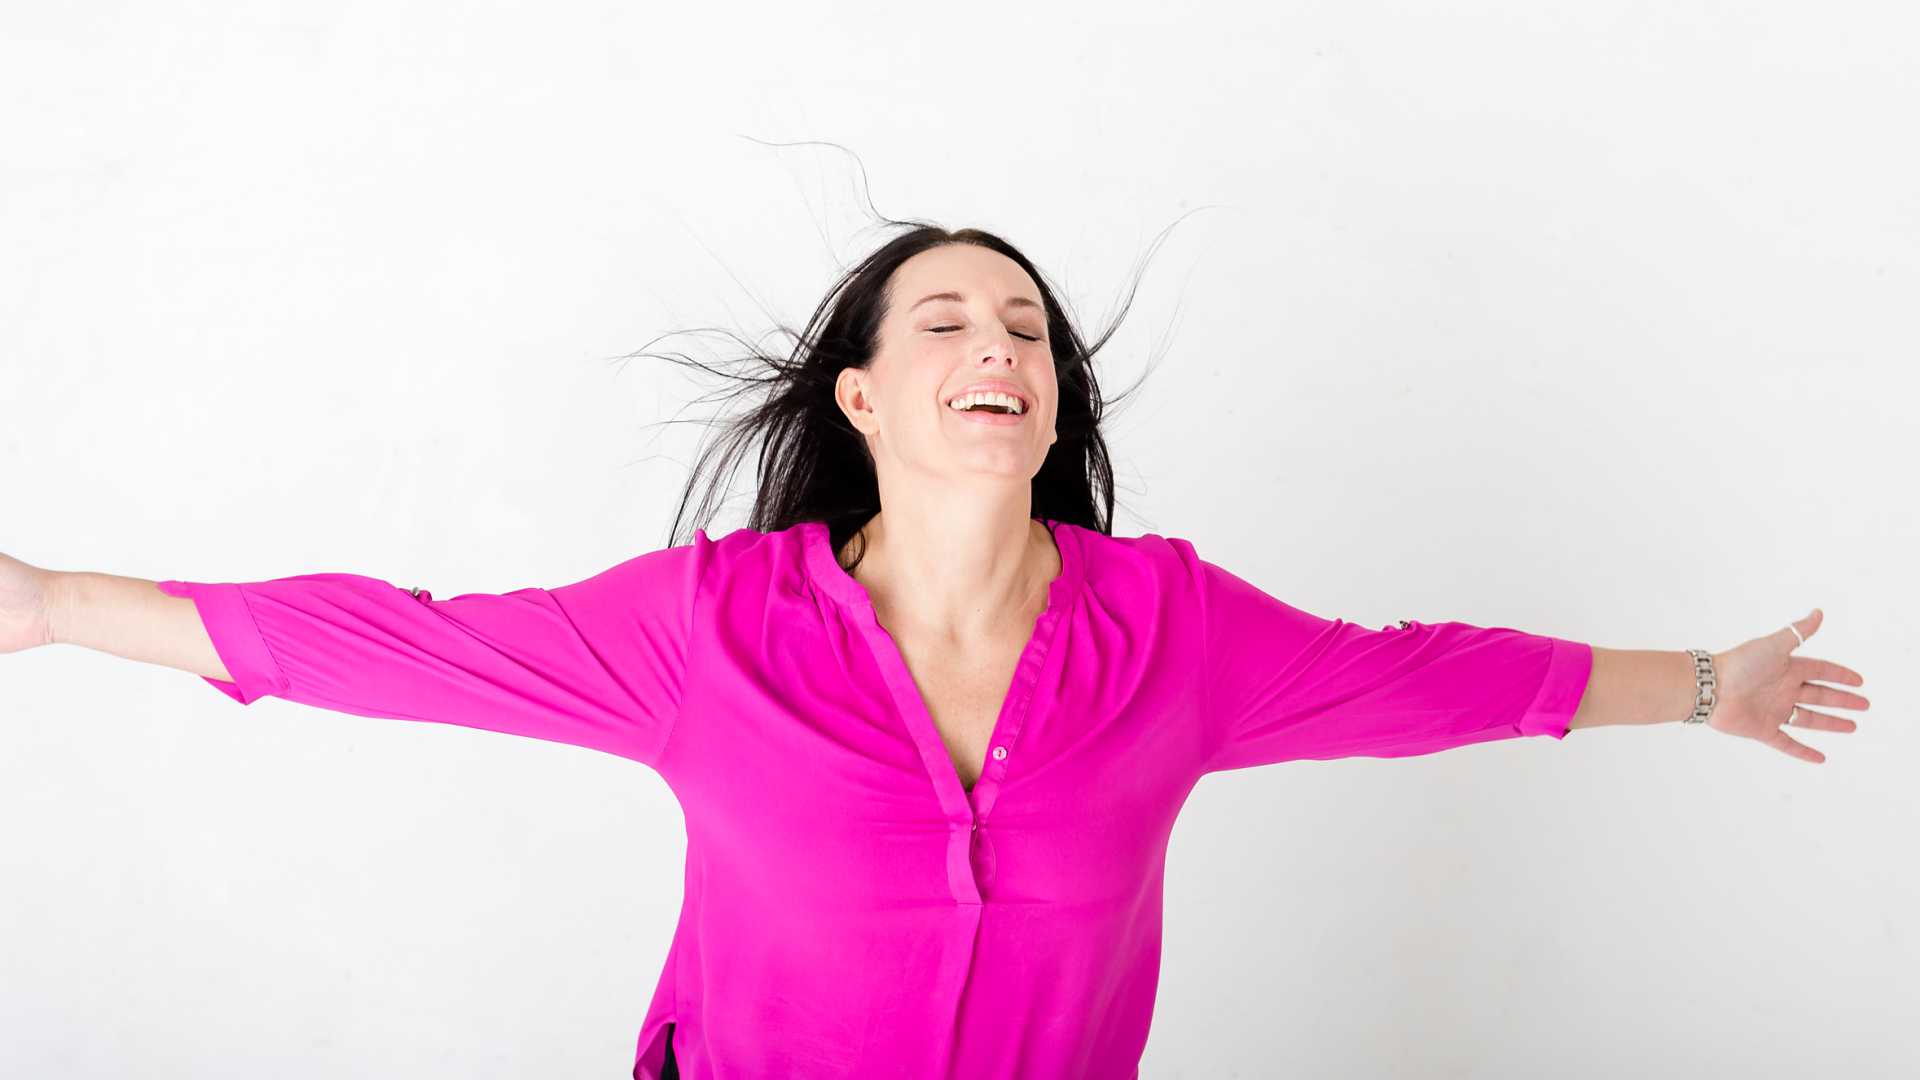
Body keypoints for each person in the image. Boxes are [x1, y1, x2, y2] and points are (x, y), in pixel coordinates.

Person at [3, 227, 1868, 1078]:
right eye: (956, 320)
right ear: (868, 392)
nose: (1006, 345)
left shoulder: (1173, 634)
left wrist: (1712, 684)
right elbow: (404, 648)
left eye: (1032, 331)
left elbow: (1441, 677)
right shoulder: (708, 631)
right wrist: (54, 604)